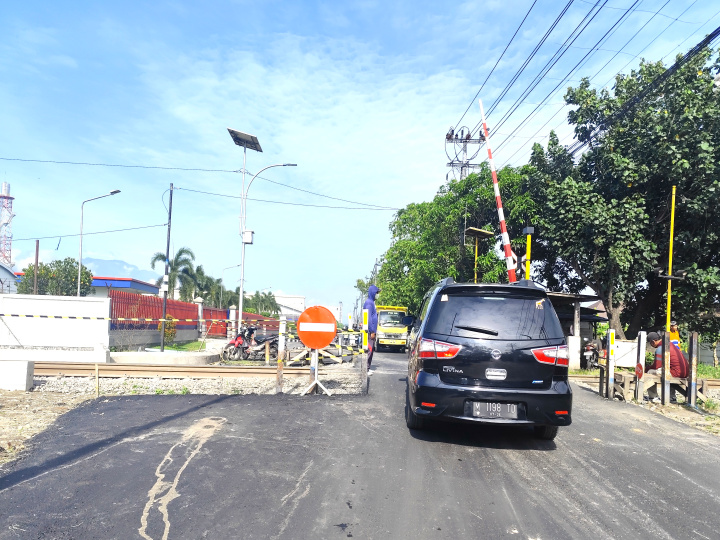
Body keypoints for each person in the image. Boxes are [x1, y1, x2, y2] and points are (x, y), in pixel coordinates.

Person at [644, 331, 689, 402]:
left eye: (650, 343)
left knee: (650, 372)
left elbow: (656, 366)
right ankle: (671, 397)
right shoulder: (670, 344)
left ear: (653, 341)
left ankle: (653, 397)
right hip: (685, 372)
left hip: (675, 373)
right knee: (667, 369)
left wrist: (646, 369)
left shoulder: (660, 348)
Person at [364, 284, 379, 375]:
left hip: (371, 331)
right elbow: (368, 318)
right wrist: (372, 331)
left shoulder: (371, 302)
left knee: (371, 350)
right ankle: (366, 369)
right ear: (373, 293)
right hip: (370, 332)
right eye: (377, 293)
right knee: (369, 350)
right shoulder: (369, 303)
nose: (377, 295)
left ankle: (368, 368)